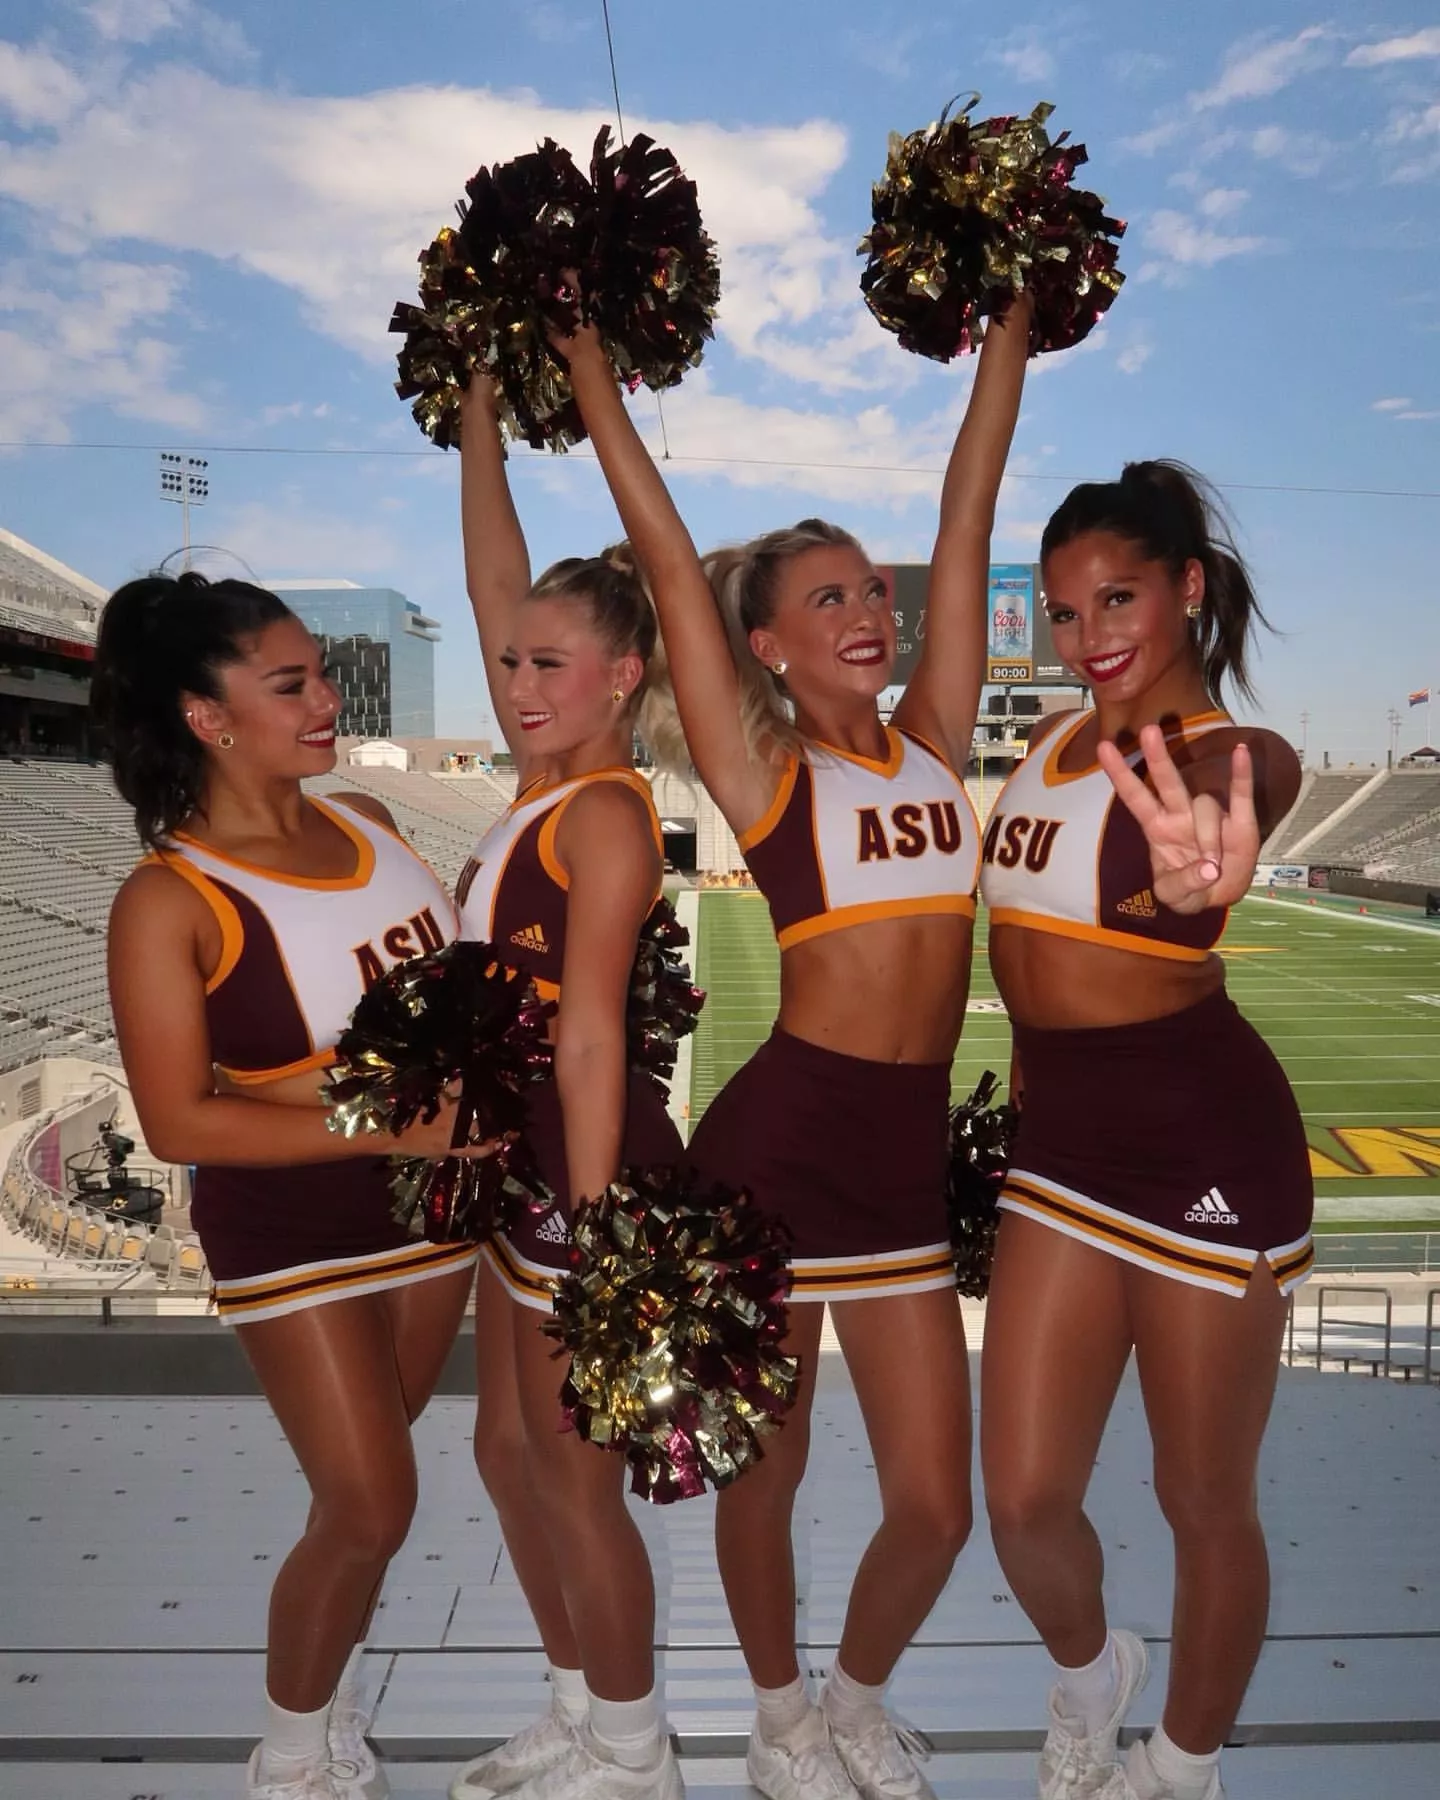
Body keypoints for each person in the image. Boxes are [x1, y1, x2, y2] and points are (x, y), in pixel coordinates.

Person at [560, 296, 1033, 1800]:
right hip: (782, 1151)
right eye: (826, 599)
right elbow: (666, 552)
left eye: (868, 592)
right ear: (765, 640)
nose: (867, 611)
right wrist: (586, 370)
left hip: (899, 1169)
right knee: (765, 1475)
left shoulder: (942, 742)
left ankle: (851, 1698)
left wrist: (1006, 336)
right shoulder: (764, 772)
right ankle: (778, 1724)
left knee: (934, 1508)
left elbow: (968, 518)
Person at [96, 572, 485, 1800]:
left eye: (320, 672)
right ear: (207, 716)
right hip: (294, 1228)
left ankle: (327, 1709)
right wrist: (389, 1130)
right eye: (292, 683)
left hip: (429, 1215)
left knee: (361, 1492)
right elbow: (175, 1119)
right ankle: (289, 1754)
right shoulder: (167, 899)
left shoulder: (370, 816)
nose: (327, 698)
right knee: (373, 1504)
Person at [977, 462, 1312, 1800]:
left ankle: (1179, 1768)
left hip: (1203, 1150)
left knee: (1200, 1498)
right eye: (1063, 611)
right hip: (1061, 1152)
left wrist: (1206, 862)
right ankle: (1088, 1675)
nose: (1089, 634)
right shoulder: (1057, 746)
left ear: (1187, 588)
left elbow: (1255, 778)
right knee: (1024, 1500)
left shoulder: (1224, 757)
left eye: (1117, 596)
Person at [448, 377, 688, 1800]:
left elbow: (593, 1034)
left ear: (621, 680)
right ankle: (576, 1700)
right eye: (509, 664)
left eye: (549, 665)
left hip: (579, 1164)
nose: (519, 683)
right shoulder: (537, 783)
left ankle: (637, 1746)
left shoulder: (603, 810)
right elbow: (494, 576)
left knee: (576, 1474)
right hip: (510, 1158)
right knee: (501, 1449)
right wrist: (479, 411)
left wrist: (596, 1239)